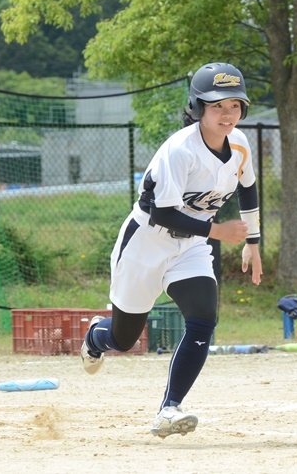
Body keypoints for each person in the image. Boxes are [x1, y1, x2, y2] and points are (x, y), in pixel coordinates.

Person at [80, 62, 263, 438]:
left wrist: (253, 242)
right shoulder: (180, 150)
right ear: (197, 107)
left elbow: (248, 188)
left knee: (203, 318)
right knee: (124, 340)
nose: (227, 114)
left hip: (191, 245)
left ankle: (169, 408)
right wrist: (219, 230)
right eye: (217, 106)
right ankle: (96, 336)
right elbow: (162, 213)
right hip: (145, 244)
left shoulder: (239, 144)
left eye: (235, 105)